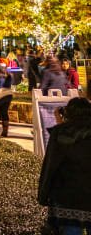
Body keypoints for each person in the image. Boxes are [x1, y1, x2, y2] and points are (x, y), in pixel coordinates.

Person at [38, 97, 91, 234]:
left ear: (68, 113)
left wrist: (43, 194)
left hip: (66, 197)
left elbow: (50, 165)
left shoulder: (59, 133)